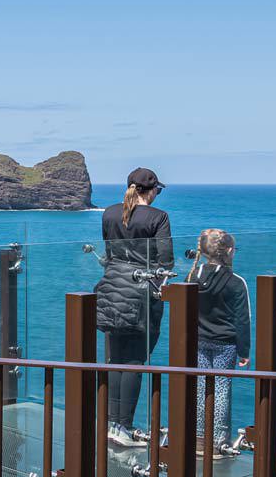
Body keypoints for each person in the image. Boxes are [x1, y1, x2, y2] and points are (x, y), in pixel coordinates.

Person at [93, 167, 174, 448]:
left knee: (115, 359)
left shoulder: (110, 213)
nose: (157, 195)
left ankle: (111, 424)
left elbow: (109, 251)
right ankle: (124, 427)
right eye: (158, 190)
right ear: (150, 191)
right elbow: (166, 260)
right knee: (136, 361)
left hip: (112, 288)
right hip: (143, 293)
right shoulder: (158, 217)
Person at [189, 228, 251, 455]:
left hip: (199, 340)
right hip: (225, 343)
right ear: (230, 251)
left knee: (202, 387)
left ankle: (198, 439)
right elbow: (242, 319)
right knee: (221, 389)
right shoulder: (236, 282)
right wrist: (244, 350)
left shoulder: (193, 276)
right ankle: (217, 441)